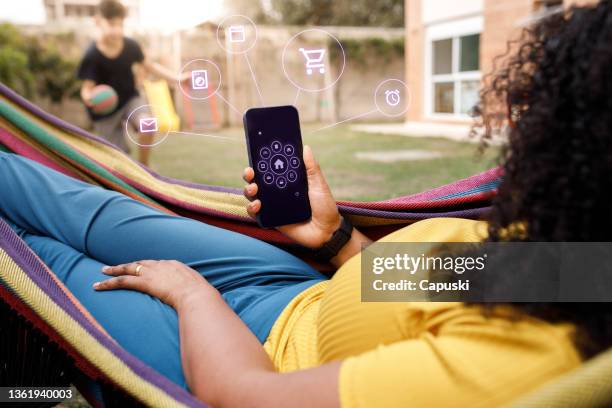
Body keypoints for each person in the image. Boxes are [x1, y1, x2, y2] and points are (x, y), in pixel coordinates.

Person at [1, 1, 612, 407]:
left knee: (46, 262)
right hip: (292, 287)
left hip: (243, 350)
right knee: (91, 211)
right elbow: (419, 288)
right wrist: (337, 238)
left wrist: (189, 293)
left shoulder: (521, 367)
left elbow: (242, 393)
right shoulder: (577, 261)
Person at [77, 0, 184, 166]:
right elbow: (86, 89)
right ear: (98, 21)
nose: (117, 30)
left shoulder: (130, 46)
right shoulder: (92, 55)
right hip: (105, 110)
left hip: (129, 99)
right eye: (112, 24)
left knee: (147, 123)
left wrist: (177, 79)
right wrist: (89, 98)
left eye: (120, 24)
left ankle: (144, 168)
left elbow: (150, 66)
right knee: (118, 159)